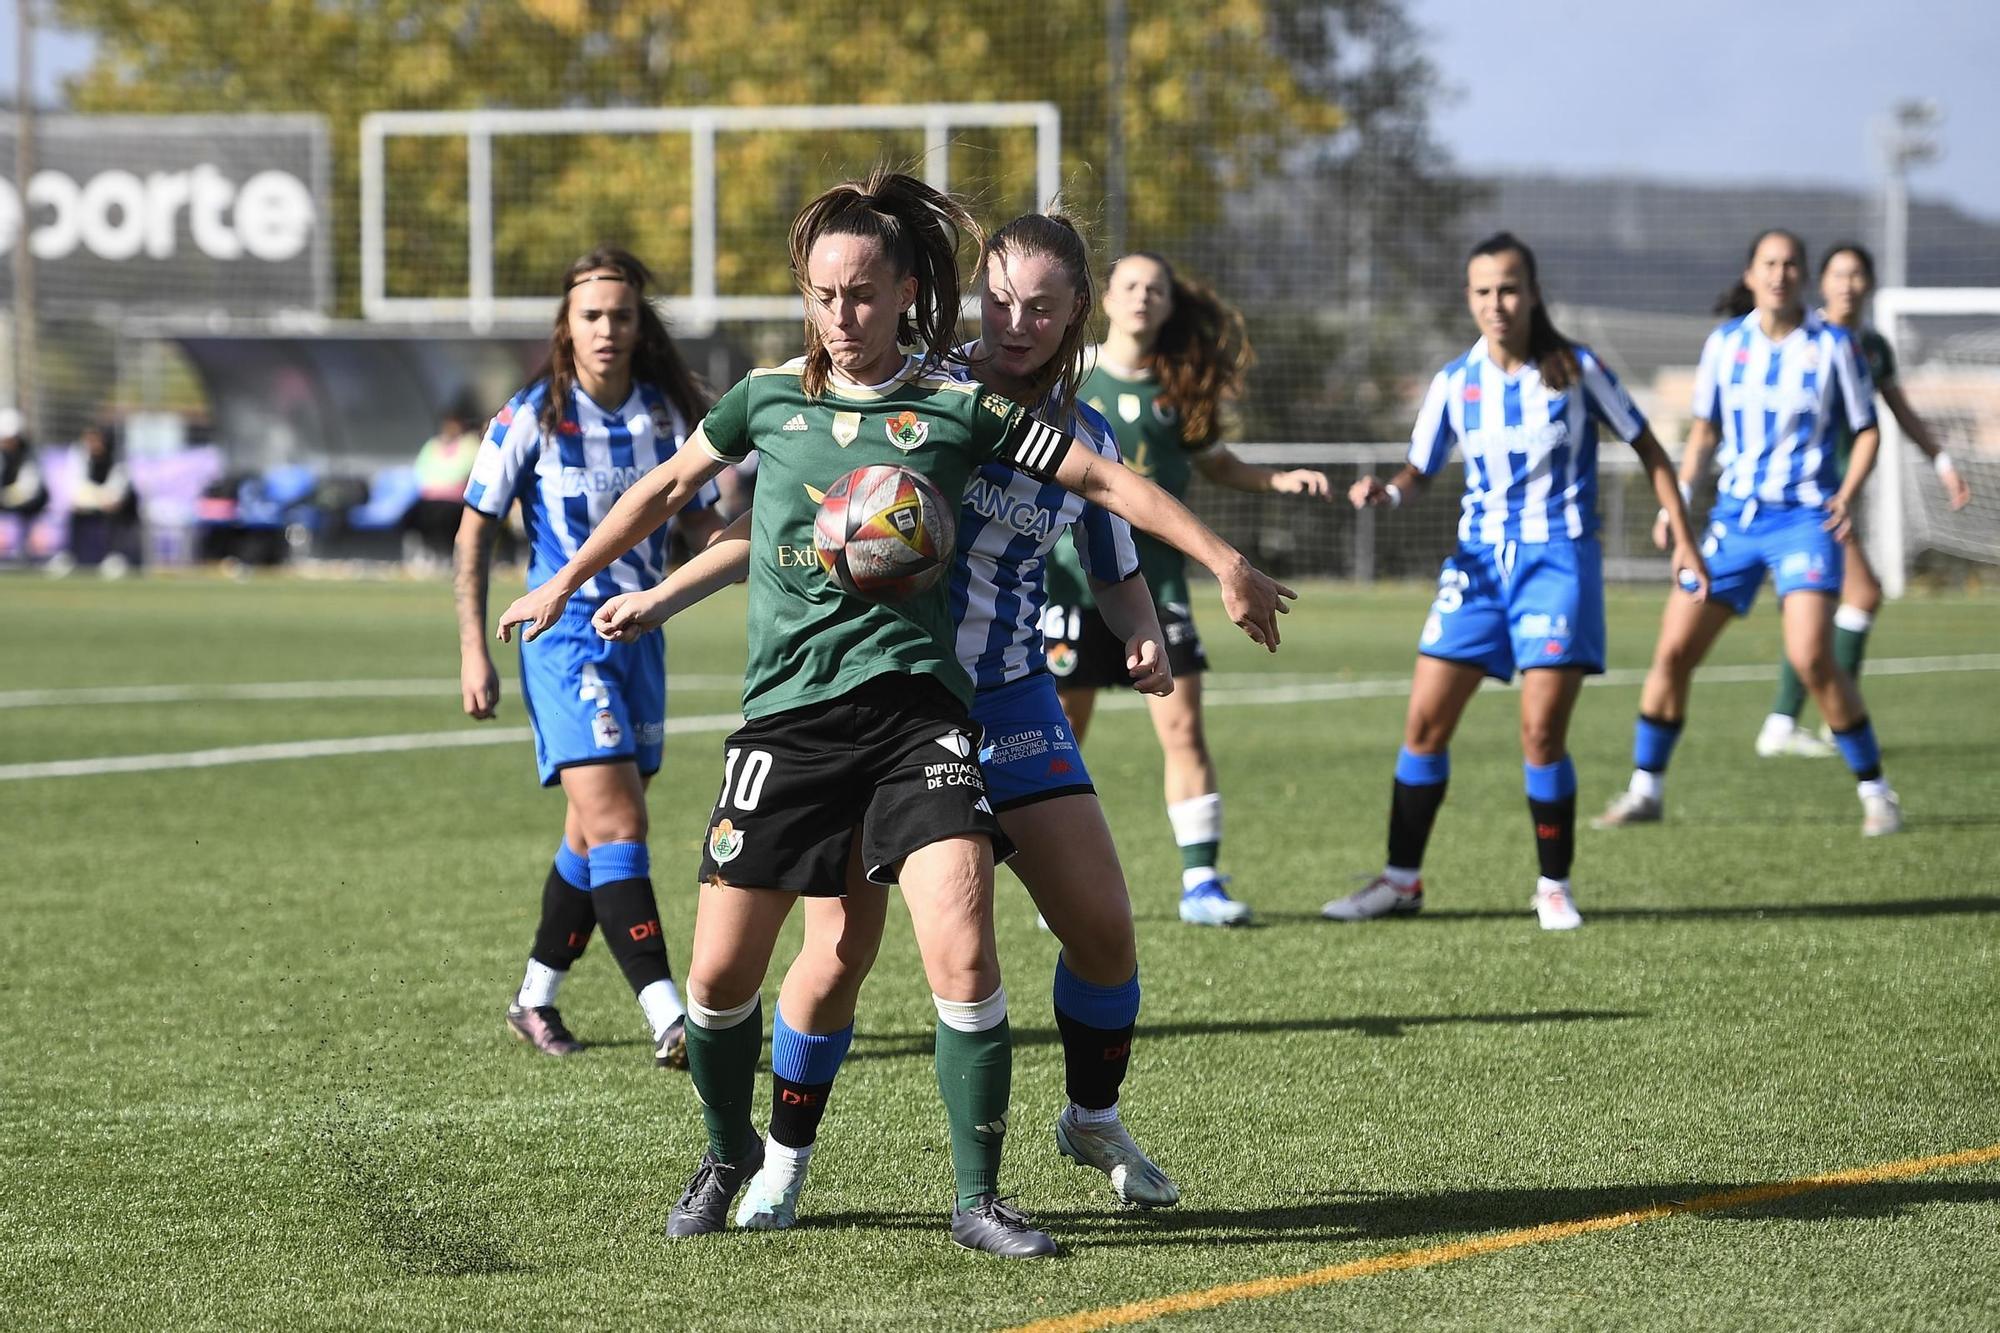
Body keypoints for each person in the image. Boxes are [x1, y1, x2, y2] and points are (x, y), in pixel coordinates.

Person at [493, 171, 1293, 1259]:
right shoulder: (865, 385)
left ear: (1073, 318)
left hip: (977, 700)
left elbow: (1111, 519)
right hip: (822, 705)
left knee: (1076, 931)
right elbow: (769, 524)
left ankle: (1056, 1138)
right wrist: (633, 587)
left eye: (1039, 307)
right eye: (997, 301)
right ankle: (767, 1152)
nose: (1012, 323)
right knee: (821, 955)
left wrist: (1164, 601)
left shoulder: (1014, 417)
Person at [1320, 232, 1708, 931]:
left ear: (1531, 293)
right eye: (1483, 291)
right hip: (1476, 567)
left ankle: (1553, 885)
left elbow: (1650, 448)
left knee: (1539, 733)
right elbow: (1419, 470)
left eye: (1508, 288)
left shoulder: (1577, 370)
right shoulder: (1454, 383)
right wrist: (1390, 494)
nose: (1496, 303)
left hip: (1558, 564)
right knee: (1424, 724)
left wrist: (1681, 533)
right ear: (1469, 298)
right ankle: (1401, 881)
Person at [452, 246, 721, 1071]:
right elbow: (473, 535)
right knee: (620, 824)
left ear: (642, 327)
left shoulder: (670, 418)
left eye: (623, 315)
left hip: (640, 634)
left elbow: (705, 525)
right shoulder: (529, 416)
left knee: (589, 832)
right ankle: (673, 1019)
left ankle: (534, 997)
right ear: (566, 328)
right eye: (591, 315)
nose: (608, 328)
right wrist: (473, 650)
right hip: (563, 640)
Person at [1042, 251, 1332, 927]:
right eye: (1131, 285)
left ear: (1170, 306)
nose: (1143, 297)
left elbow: (1217, 463)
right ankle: (1052, 882)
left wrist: (1274, 480)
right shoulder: (1065, 374)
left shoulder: (1178, 387)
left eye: (1156, 289)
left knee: (1183, 728)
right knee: (1057, 734)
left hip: (1159, 583)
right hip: (1070, 582)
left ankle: (1201, 880)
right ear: (1105, 298)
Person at [1596, 230, 1903, 837]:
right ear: (1750, 274)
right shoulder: (1725, 345)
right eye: (1770, 263)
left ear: (1804, 275)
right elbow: (1705, 433)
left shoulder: (1834, 347)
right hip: (1734, 521)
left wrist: (1846, 493)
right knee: (1674, 651)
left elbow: (1868, 429)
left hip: (1805, 522)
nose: (1781, 273)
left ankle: (1877, 792)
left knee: (1813, 658)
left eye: (1792, 264)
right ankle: (1646, 789)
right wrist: (1677, 501)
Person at [1753, 241, 1973, 758]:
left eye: (1857, 275)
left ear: (1869, 284)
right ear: (1820, 282)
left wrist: (1941, 462)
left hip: (1839, 496)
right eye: (1838, 274)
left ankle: (1794, 722)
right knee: (1860, 594)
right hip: (1807, 498)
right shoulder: (1804, 340)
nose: (1848, 284)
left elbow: (1898, 411)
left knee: (1830, 606)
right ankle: (1804, 722)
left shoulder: (1871, 347)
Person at [411, 407, 481, 563]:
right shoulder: (433, 445)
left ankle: (450, 556)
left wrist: (442, 482)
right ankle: (433, 554)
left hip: (455, 499)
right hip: (430, 498)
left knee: (445, 515)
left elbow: (462, 470)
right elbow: (421, 469)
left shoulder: (469, 445)